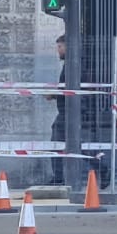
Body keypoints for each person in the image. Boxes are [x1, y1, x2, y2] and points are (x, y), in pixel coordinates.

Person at [51, 34, 67, 184]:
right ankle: (58, 177)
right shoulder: (70, 63)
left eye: (60, 47)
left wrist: (54, 94)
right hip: (66, 111)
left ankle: (58, 178)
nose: (58, 51)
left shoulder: (73, 64)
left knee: (55, 143)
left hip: (70, 112)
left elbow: (70, 88)